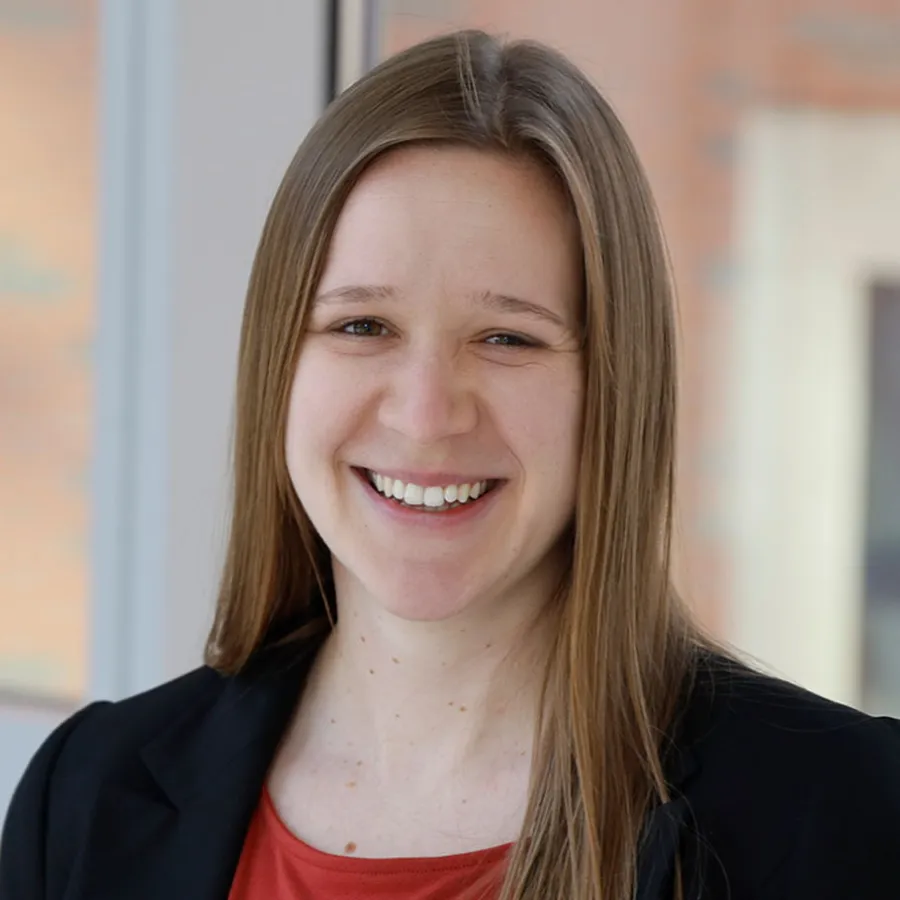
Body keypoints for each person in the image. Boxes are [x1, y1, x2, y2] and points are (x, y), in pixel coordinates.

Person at [2, 28, 899, 900]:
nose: (427, 413)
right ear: (278, 360)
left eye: (507, 337)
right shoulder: (84, 798)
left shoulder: (847, 818)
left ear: (614, 391)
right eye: (363, 326)